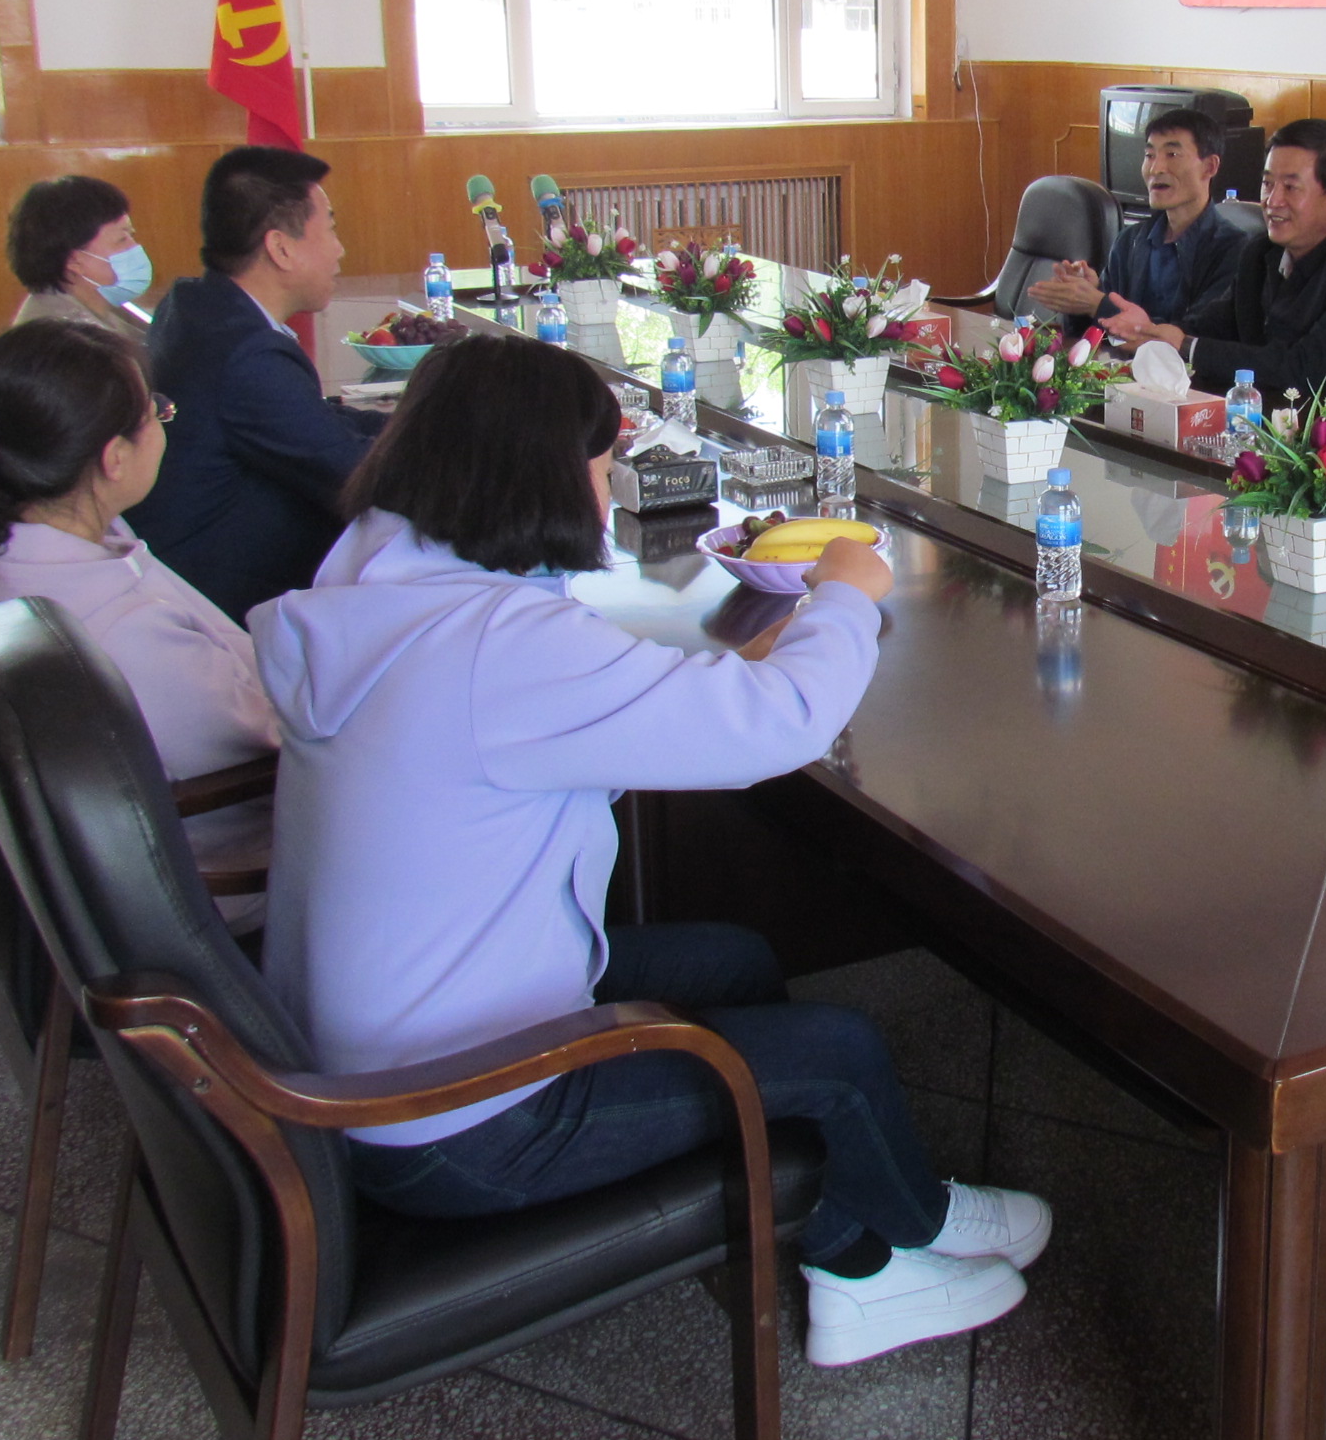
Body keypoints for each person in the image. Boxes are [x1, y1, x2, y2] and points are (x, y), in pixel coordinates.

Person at [251, 332, 1051, 1368]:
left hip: (378, 1050)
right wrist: (848, 592)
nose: (604, 488)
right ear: (536, 473)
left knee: (732, 960)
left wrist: (743, 656)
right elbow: (780, 727)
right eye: (599, 466)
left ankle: (841, 1238)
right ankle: (895, 1245)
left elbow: (542, 732)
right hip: (456, 1125)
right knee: (840, 1053)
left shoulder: (373, 588)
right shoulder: (499, 649)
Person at [0, 319, 277, 893]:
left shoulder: (16, 542)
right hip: (230, 869)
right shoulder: (130, 631)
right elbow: (271, 740)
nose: (164, 426)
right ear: (113, 458)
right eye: (156, 413)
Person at [131, 147, 384, 622]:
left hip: (184, 572)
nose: (340, 249)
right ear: (281, 248)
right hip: (228, 608)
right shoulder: (246, 354)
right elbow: (360, 476)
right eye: (330, 228)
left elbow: (314, 419)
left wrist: (420, 422)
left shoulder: (194, 304)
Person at [1100, 116, 1326, 412]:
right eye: (1268, 183)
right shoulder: (1261, 251)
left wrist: (1185, 345)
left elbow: (1303, 369)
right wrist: (1152, 332)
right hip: (1281, 421)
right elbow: (1213, 324)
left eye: (1291, 187)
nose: (1273, 201)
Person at [1028, 107, 1243, 334]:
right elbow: (1096, 332)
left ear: (1209, 167)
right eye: (1149, 155)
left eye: (1172, 154)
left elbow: (1193, 336)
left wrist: (1098, 304)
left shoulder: (1234, 250)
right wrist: (1083, 297)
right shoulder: (1130, 240)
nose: (1155, 169)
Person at [4, 174, 152, 349]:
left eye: (131, 235)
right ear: (73, 260)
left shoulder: (108, 305)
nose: (134, 247)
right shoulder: (58, 341)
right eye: (121, 239)